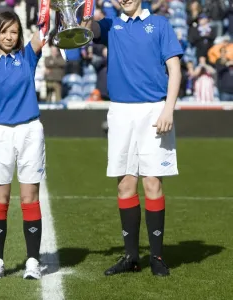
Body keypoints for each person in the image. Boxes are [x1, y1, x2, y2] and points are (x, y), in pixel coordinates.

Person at [82, 0, 183, 276]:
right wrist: (83, 9)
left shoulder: (160, 24)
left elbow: (174, 69)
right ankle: (131, 256)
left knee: (152, 183)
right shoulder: (110, 24)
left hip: (154, 110)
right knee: (125, 184)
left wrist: (168, 108)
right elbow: (84, 30)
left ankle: (158, 257)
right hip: (120, 111)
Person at [0, 11, 46, 280]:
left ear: (19, 34)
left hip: (29, 132)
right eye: (4, 31)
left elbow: (43, 33)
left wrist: (52, 9)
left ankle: (33, 262)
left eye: (13, 31)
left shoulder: (27, 56)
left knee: (30, 198)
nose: (9, 36)